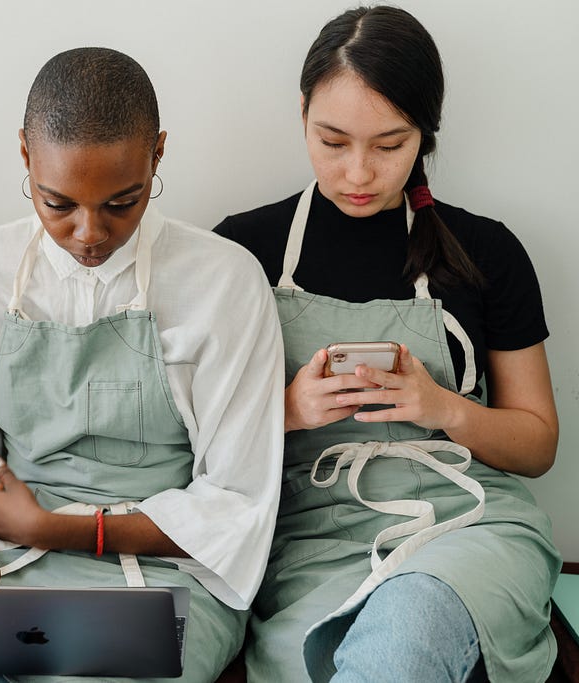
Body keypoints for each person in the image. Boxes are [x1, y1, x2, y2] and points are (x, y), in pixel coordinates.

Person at [0, 47, 285, 682]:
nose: (89, 233)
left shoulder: (224, 280)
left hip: (167, 578)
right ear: (25, 153)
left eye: (122, 203)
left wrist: (62, 529)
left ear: (158, 154)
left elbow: (235, 501)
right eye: (57, 204)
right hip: (12, 562)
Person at [214, 6, 561, 682]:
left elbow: (538, 444)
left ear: (424, 135)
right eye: (333, 140)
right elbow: (190, 449)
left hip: (471, 526)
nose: (359, 172)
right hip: (308, 543)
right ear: (302, 113)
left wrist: (442, 406)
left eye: (390, 144)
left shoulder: (487, 250)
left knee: (408, 625)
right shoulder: (240, 252)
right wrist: (284, 411)